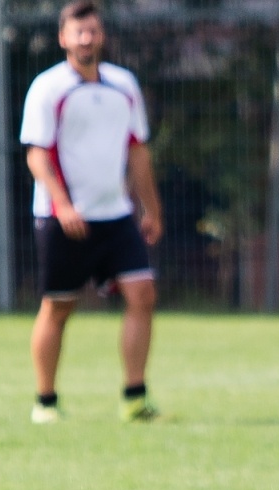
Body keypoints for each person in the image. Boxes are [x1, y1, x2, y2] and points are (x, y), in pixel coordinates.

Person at [19, 0, 162, 425]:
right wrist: (63, 206)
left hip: (116, 216)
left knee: (143, 295)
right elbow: (36, 156)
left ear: (102, 36)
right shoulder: (48, 88)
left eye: (93, 31)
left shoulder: (123, 85)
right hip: (63, 218)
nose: (86, 39)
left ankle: (134, 396)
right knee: (58, 307)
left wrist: (150, 207)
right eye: (78, 32)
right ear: (63, 38)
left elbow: (137, 150)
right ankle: (46, 401)